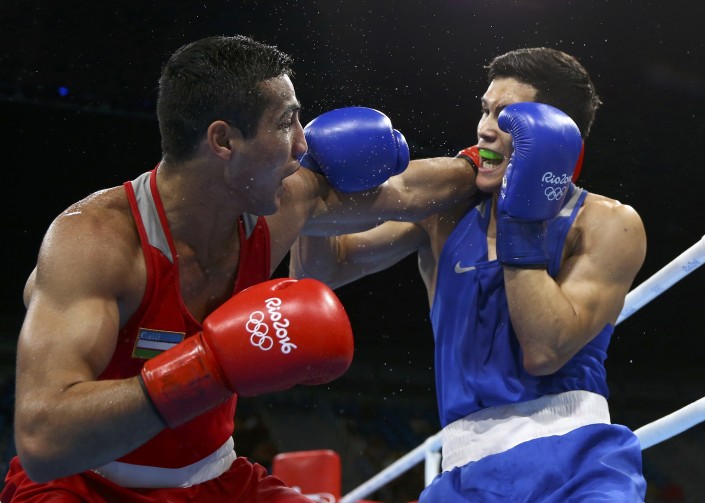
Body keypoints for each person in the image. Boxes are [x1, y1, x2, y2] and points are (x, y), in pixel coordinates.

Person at [1, 35, 478, 502]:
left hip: (216, 481)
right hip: (81, 485)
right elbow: (43, 441)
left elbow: (408, 190)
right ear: (224, 140)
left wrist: (488, 163)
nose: (302, 144)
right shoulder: (95, 242)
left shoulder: (282, 205)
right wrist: (207, 366)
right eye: (286, 122)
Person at [291, 47, 648, 501]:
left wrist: (522, 218)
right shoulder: (447, 214)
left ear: (551, 132)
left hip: (577, 461)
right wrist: (316, 174)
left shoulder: (606, 223)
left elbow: (544, 350)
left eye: (505, 116)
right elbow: (323, 270)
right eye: (485, 110)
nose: (485, 127)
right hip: (464, 472)